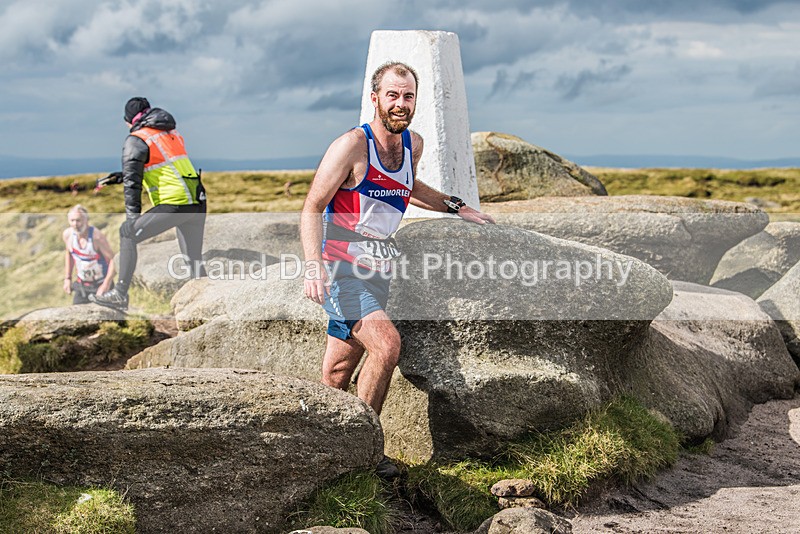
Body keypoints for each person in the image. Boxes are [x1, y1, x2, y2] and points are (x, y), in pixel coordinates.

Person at [300, 62, 495, 478]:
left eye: (408, 96)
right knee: (387, 345)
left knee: (336, 374)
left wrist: (456, 207)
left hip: (379, 270)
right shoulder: (353, 145)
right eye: (392, 95)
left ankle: (317, 451)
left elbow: (408, 187)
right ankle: (364, 453)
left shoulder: (412, 145)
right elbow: (313, 205)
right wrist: (313, 267)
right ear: (375, 99)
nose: (400, 103)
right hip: (342, 267)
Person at [91, 97, 207, 311]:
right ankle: (207, 303)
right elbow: (162, 167)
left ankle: (120, 293)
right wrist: (120, 176)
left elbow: (132, 184)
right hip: (196, 201)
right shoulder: (170, 133)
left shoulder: (136, 139)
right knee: (194, 263)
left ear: (129, 120)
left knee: (127, 234)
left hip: (175, 203)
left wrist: (132, 218)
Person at [62, 205, 116, 305]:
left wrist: (106, 284)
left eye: (78, 220)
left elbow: (113, 261)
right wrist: (67, 278)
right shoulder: (68, 235)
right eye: (72, 220)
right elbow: (69, 254)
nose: (75, 224)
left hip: (101, 284)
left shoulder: (97, 237)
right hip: (82, 285)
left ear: (86, 220)